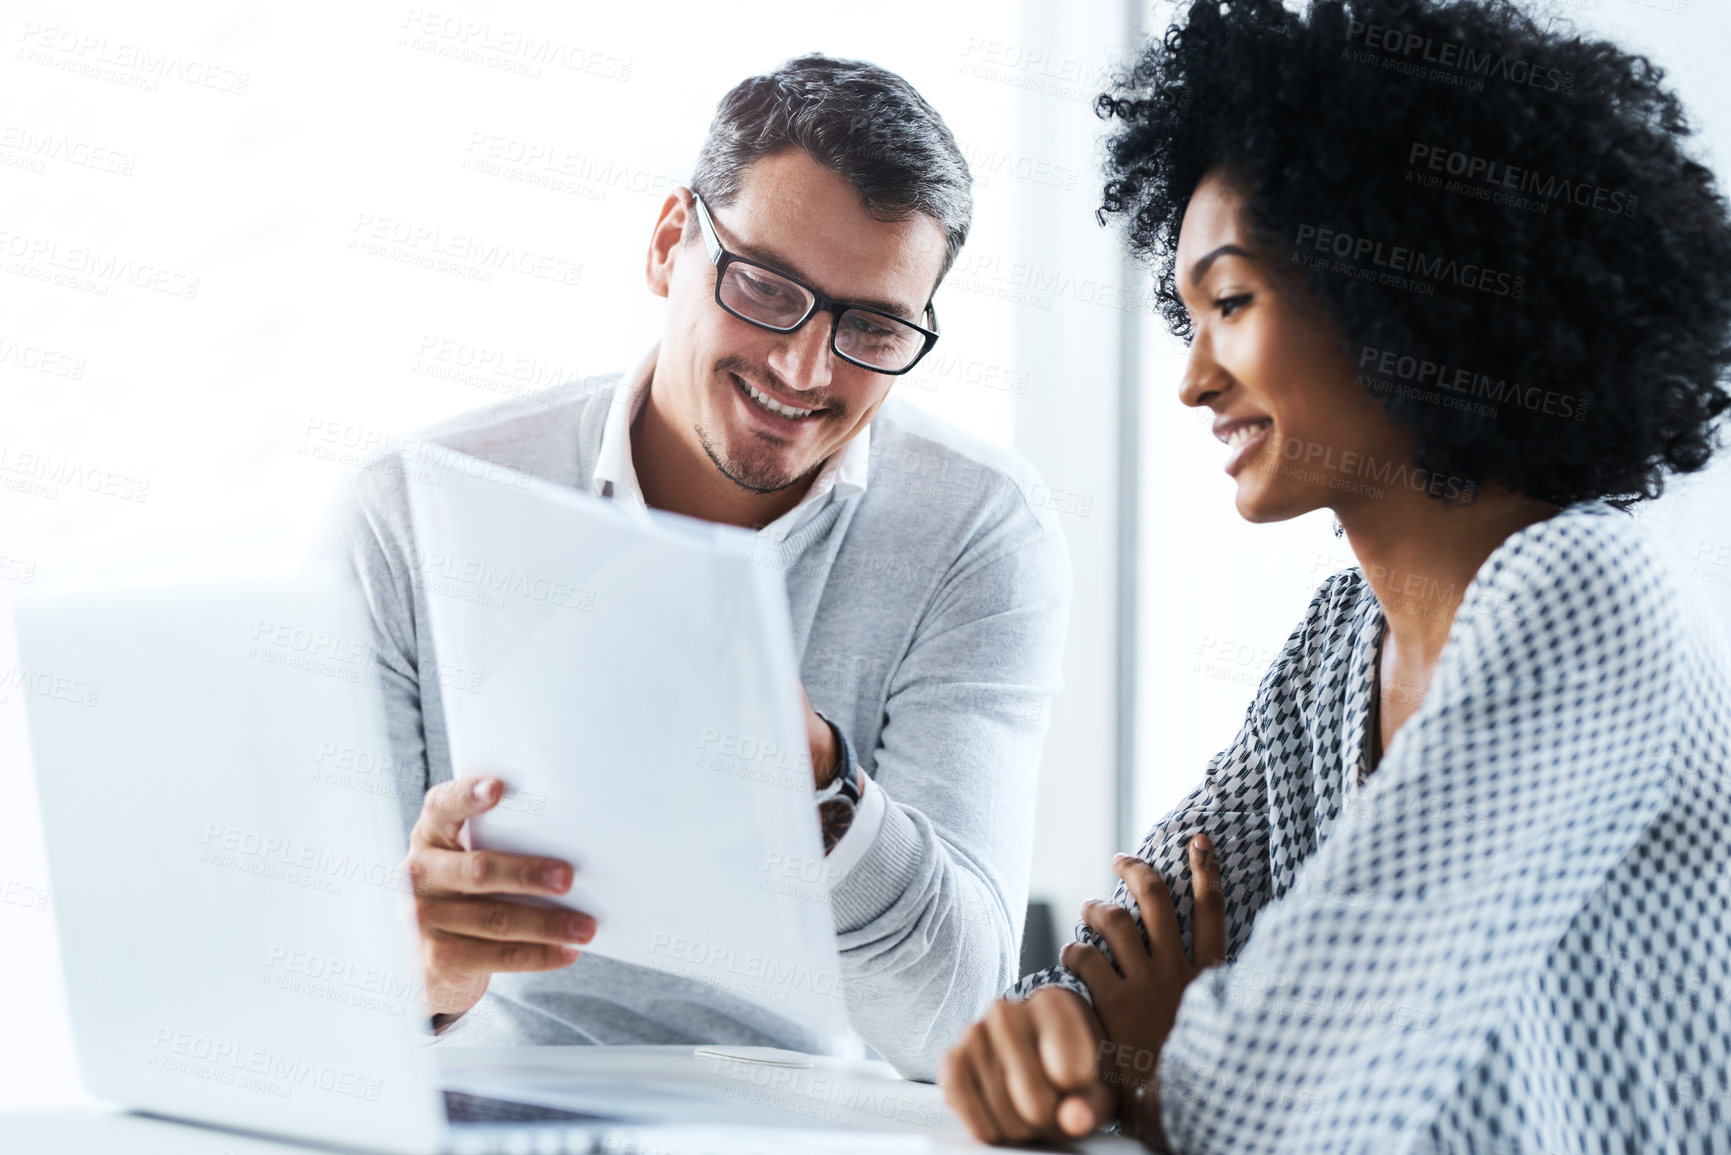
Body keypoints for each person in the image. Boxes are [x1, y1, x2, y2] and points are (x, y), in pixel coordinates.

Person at [941, 0, 1731, 1148]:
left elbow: (1271, 1111)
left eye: (1233, 302)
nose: (1193, 381)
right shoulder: (1340, 644)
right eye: (1189, 316)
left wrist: (1158, 1064)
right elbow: (1098, 978)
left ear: (1403, 290)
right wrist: (1063, 1046)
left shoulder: (1584, 594)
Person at [318, 54, 1070, 1080]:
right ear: (671, 241)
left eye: (875, 327)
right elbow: (310, 981)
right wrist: (422, 972)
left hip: (807, 1121)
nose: (806, 369)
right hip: (483, 1098)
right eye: (765, 286)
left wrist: (818, 782)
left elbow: (955, 1029)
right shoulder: (412, 505)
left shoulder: (980, 532)